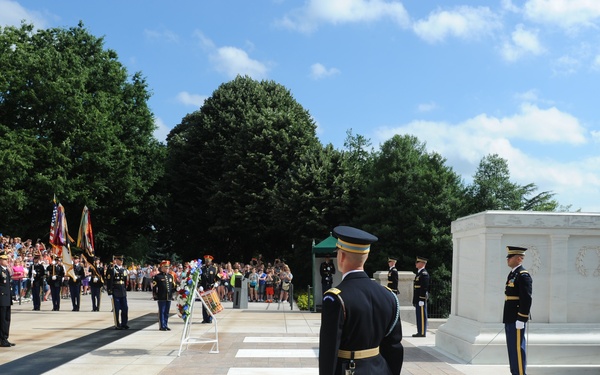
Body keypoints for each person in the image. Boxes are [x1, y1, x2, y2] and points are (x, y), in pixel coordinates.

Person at [319, 226, 403, 375]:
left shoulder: (335, 298)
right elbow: (394, 346)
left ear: (341, 257)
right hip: (380, 369)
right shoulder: (388, 296)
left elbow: (329, 351)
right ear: (366, 256)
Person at [503, 246, 533, 375]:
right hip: (510, 317)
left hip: (517, 317)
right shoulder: (513, 274)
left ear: (519, 258)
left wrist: (521, 318)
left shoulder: (523, 275)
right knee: (512, 349)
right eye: (508, 257)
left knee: (517, 349)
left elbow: (526, 299)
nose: (508, 259)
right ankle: (515, 372)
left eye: (510, 257)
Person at [152, 260, 177, 331]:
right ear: (162, 267)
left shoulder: (170, 276)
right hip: (161, 296)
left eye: (168, 267)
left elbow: (173, 286)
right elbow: (154, 287)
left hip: (168, 296)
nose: (167, 269)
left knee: (166, 312)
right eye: (166, 267)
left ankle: (165, 324)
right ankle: (162, 325)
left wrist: (174, 291)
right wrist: (155, 295)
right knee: (162, 311)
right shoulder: (157, 277)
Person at [106, 255, 129, 330]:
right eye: (120, 260)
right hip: (115, 291)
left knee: (125, 308)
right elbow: (109, 281)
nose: (121, 261)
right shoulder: (112, 269)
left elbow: (125, 281)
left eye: (122, 260)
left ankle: (124, 323)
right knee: (116, 309)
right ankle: (117, 324)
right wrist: (109, 292)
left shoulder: (123, 269)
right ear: (116, 260)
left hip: (122, 291)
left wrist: (125, 289)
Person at [412, 256, 430, 337]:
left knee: (422, 316)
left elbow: (424, 287)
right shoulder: (419, 273)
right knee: (419, 316)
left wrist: (422, 299)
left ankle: (422, 332)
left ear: (422, 264)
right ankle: (420, 331)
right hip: (418, 298)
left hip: (421, 298)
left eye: (417, 262)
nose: (416, 264)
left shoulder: (424, 274)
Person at [0, 251, 15, 347]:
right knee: (2, 320)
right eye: (5, 259)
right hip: (1, 298)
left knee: (7, 319)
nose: (7, 261)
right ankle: (2, 339)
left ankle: (5, 337)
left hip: (7, 298)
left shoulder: (6, 270)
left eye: (7, 259)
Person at [200, 255, 217, 323]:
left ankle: (210, 318)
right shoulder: (202, 268)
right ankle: (205, 318)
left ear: (211, 261)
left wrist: (216, 283)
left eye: (208, 261)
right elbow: (199, 278)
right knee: (204, 303)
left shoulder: (214, 269)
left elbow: (217, 277)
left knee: (210, 303)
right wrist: (199, 286)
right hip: (203, 287)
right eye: (206, 261)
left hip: (210, 287)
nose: (207, 262)